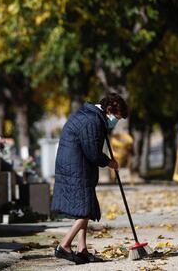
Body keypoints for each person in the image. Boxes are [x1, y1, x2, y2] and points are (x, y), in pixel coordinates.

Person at [51, 93, 128, 264]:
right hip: (76, 166)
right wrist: (109, 162)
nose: (116, 121)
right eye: (117, 117)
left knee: (84, 206)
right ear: (109, 110)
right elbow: (93, 153)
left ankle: (82, 249)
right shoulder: (92, 121)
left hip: (76, 164)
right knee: (86, 209)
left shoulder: (93, 117)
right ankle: (64, 246)